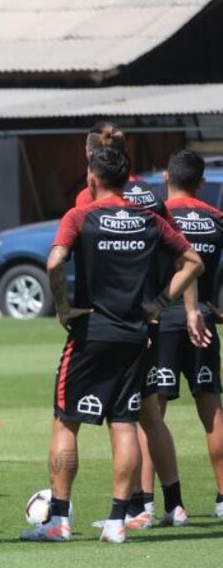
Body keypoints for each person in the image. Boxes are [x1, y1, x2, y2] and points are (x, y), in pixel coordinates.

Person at [21, 147, 203, 544]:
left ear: (91, 180)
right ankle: (119, 520)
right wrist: (157, 304)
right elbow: (193, 262)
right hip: (136, 335)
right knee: (123, 423)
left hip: (91, 332)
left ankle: (59, 520)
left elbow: (54, 263)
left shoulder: (80, 216)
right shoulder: (149, 220)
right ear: (127, 181)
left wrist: (64, 307)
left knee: (66, 420)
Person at [157, 150, 223, 520]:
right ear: (200, 183)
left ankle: (149, 505)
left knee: (152, 414)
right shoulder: (217, 219)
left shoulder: (157, 217)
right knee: (212, 410)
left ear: (166, 177)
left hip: (163, 321)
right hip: (205, 322)